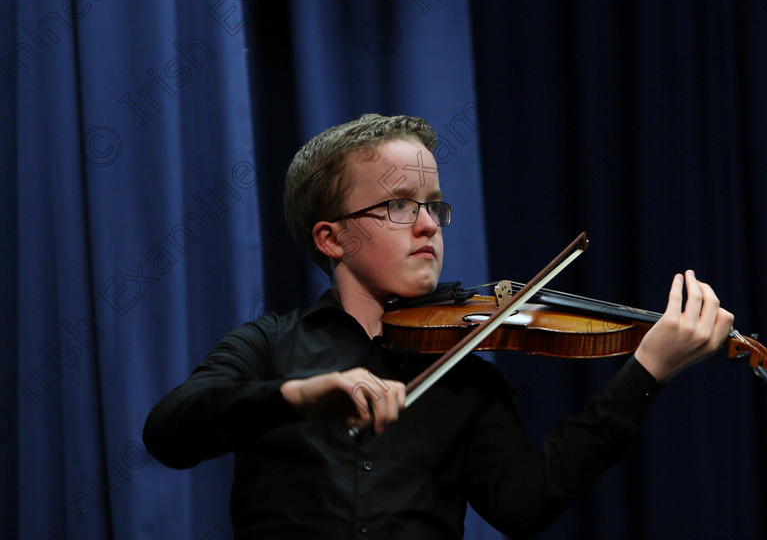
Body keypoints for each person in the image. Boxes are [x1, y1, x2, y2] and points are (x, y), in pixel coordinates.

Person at [143, 113, 734, 539]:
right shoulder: (269, 345)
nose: (427, 225)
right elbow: (169, 432)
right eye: (399, 205)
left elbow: (523, 506)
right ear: (332, 237)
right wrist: (297, 397)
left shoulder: (467, 378)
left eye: (434, 206)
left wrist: (645, 372)